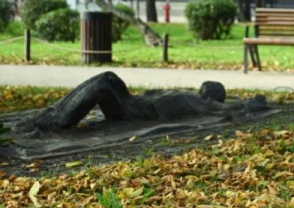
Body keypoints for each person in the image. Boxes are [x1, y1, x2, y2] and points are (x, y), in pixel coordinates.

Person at [12, 71, 268, 134]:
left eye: (209, 88)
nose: (204, 87)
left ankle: (56, 120)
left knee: (104, 82)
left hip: (140, 112)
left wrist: (257, 101)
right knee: (105, 80)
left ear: (213, 96)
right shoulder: (185, 94)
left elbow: (239, 108)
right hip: (137, 104)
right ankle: (53, 114)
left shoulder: (208, 105)